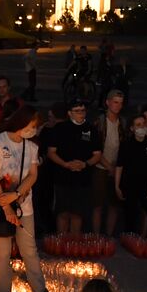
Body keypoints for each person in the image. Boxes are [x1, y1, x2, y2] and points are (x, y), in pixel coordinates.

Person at [0, 107, 55, 292]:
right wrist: (7, 208)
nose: (34, 130)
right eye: (32, 126)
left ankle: (41, 290)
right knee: (2, 252)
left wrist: (17, 194)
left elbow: (33, 175)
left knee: (29, 249)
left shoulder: (31, 146)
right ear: (20, 123)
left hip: (23, 204)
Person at [46, 97, 100, 235]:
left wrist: (85, 164)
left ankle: (74, 243)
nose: (81, 113)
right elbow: (51, 152)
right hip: (63, 177)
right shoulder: (60, 128)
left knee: (77, 212)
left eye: (83, 110)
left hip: (82, 178)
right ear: (69, 113)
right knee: (63, 211)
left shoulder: (91, 129)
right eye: (77, 111)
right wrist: (65, 164)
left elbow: (97, 154)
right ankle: (61, 242)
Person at [115, 117, 147, 237]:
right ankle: (130, 241)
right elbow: (119, 166)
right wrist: (117, 186)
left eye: (143, 124)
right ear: (132, 128)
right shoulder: (126, 144)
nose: (141, 127)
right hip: (129, 184)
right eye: (138, 124)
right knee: (130, 215)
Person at [89, 90, 126, 236]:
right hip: (100, 167)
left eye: (121, 103)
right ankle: (97, 236)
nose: (118, 106)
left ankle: (109, 236)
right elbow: (95, 148)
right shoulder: (99, 122)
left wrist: (117, 167)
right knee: (98, 204)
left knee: (113, 205)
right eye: (115, 102)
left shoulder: (122, 122)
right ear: (107, 102)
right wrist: (108, 166)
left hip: (116, 168)